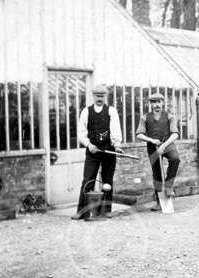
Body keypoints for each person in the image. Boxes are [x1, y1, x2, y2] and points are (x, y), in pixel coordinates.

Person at [72, 85, 124, 220]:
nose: (99, 98)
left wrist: (117, 145)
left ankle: (106, 210)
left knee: (107, 181)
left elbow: (115, 130)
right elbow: (81, 133)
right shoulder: (86, 112)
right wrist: (89, 145)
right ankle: (81, 211)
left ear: (105, 97)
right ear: (93, 96)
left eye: (102, 96)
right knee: (87, 180)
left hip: (108, 149)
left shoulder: (111, 111)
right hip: (92, 150)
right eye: (97, 96)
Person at [136, 93, 180, 212]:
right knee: (157, 174)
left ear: (163, 103)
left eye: (159, 102)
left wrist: (164, 145)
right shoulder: (145, 117)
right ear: (150, 104)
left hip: (168, 144)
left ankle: (169, 186)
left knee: (175, 159)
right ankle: (159, 203)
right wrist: (151, 140)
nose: (157, 105)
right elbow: (139, 134)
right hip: (153, 147)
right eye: (154, 102)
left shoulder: (170, 116)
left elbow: (175, 133)